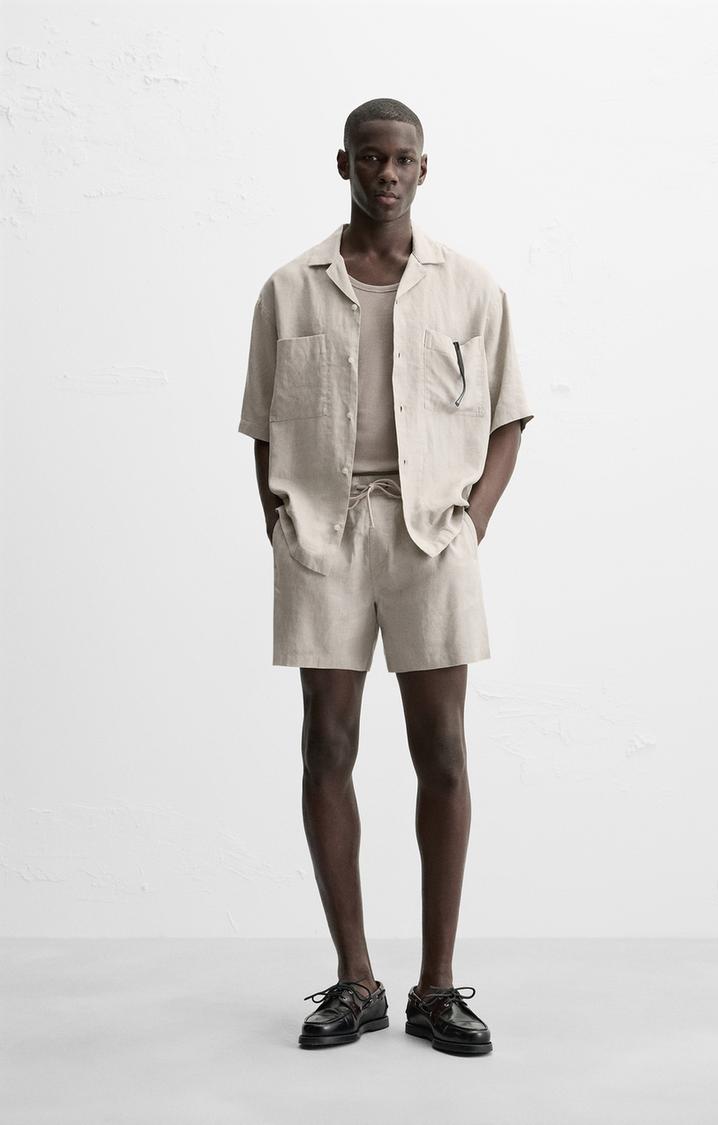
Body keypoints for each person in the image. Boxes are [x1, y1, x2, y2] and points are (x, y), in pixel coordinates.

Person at [238, 98, 534, 1056]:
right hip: (324, 533)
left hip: (431, 533)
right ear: (344, 165)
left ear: (423, 168)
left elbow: (509, 418)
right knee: (326, 744)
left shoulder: (470, 289)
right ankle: (356, 979)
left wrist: (472, 522)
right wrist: (283, 520)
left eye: (403, 159)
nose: (388, 174)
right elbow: (263, 425)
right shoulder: (289, 289)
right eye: (370, 158)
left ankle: (437, 987)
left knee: (442, 749)